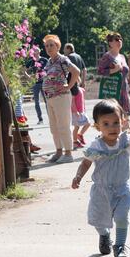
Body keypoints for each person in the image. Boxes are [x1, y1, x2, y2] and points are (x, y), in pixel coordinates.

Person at [71, 99, 130, 257]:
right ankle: (104, 235)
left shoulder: (127, 142)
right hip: (101, 192)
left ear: (123, 121)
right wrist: (78, 176)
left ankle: (119, 246)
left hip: (121, 190)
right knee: (98, 219)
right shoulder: (96, 146)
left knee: (121, 216)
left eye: (116, 122)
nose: (112, 127)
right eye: (106, 123)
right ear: (97, 126)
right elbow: (86, 162)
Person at [42, 34, 80, 163]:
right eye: (47, 45)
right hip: (50, 97)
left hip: (61, 97)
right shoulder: (49, 61)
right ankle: (58, 151)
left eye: (51, 45)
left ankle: (68, 153)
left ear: (57, 46)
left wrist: (69, 86)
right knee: (54, 127)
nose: (49, 48)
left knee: (63, 125)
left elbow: (76, 71)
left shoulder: (62, 59)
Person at [97, 32, 130, 115]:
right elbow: (100, 71)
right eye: (116, 39)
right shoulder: (107, 57)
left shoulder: (122, 57)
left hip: (124, 91)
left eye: (120, 39)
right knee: (114, 116)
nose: (119, 41)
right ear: (110, 43)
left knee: (124, 119)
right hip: (113, 91)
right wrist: (114, 70)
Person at [26, 54, 48, 124]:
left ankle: (51, 118)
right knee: (36, 102)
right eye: (35, 51)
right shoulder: (32, 61)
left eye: (37, 51)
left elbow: (49, 68)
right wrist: (29, 76)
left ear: (39, 52)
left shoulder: (44, 60)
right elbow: (25, 69)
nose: (36, 52)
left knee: (47, 101)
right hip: (36, 83)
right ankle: (40, 119)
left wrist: (46, 76)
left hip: (44, 83)